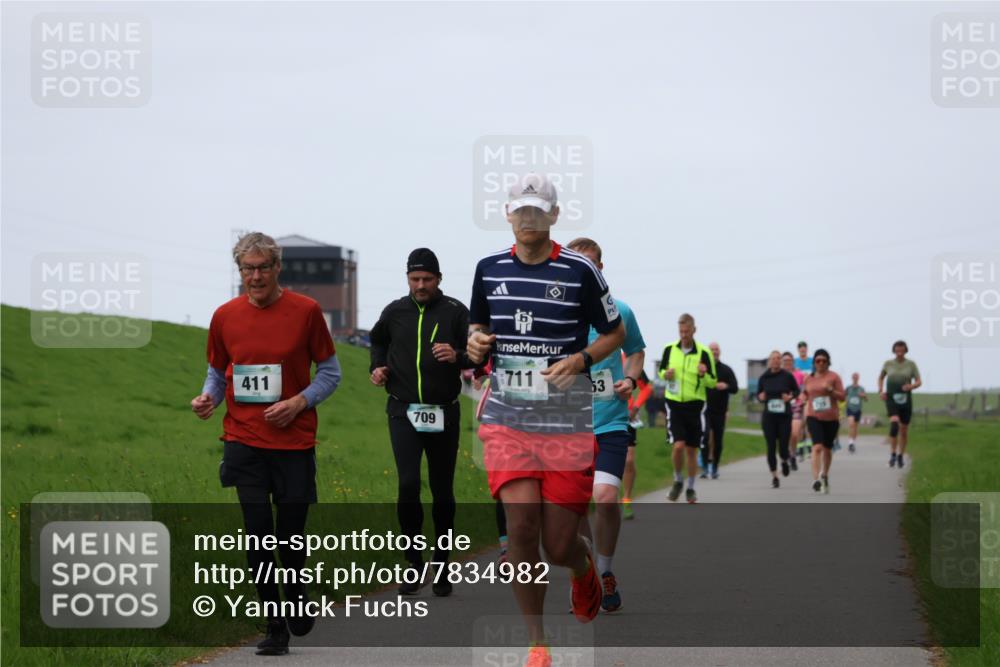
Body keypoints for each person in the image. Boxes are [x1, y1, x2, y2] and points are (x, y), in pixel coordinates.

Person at [466, 172, 626, 667]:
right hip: (507, 417)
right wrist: (475, 343)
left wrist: (580, 360)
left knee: (558, 545)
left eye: (538, 209)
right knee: (521, 530)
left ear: (554, 215)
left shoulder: (580, 270)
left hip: (565, 420)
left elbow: (614, 333)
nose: (528, 217)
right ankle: (537, 643)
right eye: (521, 209)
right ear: (508, 215)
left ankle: (581, 569)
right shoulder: (488, 268)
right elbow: (479, 328)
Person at [191, 232, 341, 656]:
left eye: (262, 267)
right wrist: (208, 398)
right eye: (247, 269)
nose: (255, 276)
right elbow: (218, 373)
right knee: (259, 539)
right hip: (244, 440)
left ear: (278, 268)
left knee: (289, 538)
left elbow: (330, 374)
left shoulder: (307, 312)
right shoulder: (224, 316)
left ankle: (296, 598)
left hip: (293, 443)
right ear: (239, 271)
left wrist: (297, 402)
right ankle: (276, 627)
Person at [369, 248, 480, 597]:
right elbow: (377, 340)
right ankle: (414, 561)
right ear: (407, 279)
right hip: (403, 410)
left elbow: (480, 353)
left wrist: (458, 356)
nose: (421, 285)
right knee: (407, 483)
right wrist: (377, 367)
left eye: (427, 279)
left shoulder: (456, 312)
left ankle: (443, 561)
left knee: (442, 489)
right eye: (415, 279)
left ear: (438, 279)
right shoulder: (395, 311)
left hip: (443, 410)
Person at [567, 237, 646, 613]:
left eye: (593, 265)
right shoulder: (558, 315)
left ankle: (606, 569)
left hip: (610, 420)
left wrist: (630, 380)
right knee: (576, 507)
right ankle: (586, 579)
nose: (587, 271)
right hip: (567, 426)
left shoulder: (621, 312)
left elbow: (636, 351)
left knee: (606, 498)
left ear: (601, 269)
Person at [658, 314, 717, 504]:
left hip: (695, 405)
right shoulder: (669, 349)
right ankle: (677, 480)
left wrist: (704, 373)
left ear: (694, 330)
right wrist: (665, 374)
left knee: (692, 450)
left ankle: (690, 487)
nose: (684, 335)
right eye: (681, 331)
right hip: (674, 403)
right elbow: (661, 372)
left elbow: (712, 381)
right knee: (678, 446)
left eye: (687, 331)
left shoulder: (704, 353)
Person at [800, 349, 846, 494]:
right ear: (814, 362)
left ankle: (825, 474)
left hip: (831, 418)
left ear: (828, 362)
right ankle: (816, 480)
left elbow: (842, 397)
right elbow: (805, 392)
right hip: (814, 417)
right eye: (818, 360)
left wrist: (831, 391)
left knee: (827, 448)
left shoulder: (834, 377)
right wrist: (802, 397)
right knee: (817, 447)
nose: (820, 363)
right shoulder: (808, 378)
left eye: (823, 360)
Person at [756, 351, 799, 488]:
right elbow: (758, 394)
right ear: (769, 361)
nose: (775, 361)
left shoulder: (787, 376)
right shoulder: (764, 377)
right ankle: (774, 476)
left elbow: (797, 391)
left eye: (778, 359)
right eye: (773, 359)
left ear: (780, 361)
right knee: (771, 446)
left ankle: (785, 460)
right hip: (769, 417)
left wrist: (790, 397)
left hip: (784, 417)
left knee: (783, 445)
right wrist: (760, 397)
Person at [877, 341, 922, 469]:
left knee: (903, 430)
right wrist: (880, 391)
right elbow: (880, 378)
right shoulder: (888, 364)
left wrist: (911, 386)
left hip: (906, 399)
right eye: (897, 350)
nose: (899, 352)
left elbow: (919, 381)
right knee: (894, 424)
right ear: (894, 350)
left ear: (905, 350)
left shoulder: (911, 364)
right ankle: (892, 454)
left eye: (902, 350)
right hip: (891, 397)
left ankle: (900, 455)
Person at [701, 341, 738, 479]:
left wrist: (726, 386)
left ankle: (715, 467)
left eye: (716, 349)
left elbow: (735, 388)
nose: (714, 352)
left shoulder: (726, 370)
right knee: (704, 437)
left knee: (718, 440)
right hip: (704, 409)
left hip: (720, 411)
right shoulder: (702, 369)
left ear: (719, 352)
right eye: (711, 350)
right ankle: (704, 468)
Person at [622, 371, 652, 520]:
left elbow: (646, 388)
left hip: (626, 416)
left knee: (628, 461)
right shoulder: (597, 357)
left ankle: (626, 499)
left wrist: (636, 407)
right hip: (601, 414)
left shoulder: (630, 360)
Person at [781, 351, 805, 469]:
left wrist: (803, 397)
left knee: (795, 433)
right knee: (785, 434)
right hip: (781, 407)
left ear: (793, 362)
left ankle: (793, 454)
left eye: (789, 361)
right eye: (785, 361)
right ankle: (786, 454)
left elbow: (803, 389)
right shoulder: (778, 375)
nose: (787, 363)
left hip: (796, 406)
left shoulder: (799, 375)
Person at [844, 372, 868, 453]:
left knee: (855, 427)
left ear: (858, 378)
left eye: (856, 377)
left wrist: (863, 396)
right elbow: (843, 396)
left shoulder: (861, 388)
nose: (855, 378)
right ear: (852, 378)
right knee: (851, 424)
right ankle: (850, 443)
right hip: (850, 408)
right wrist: (845, 401)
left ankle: (853, 442)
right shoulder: (848, 388)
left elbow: (866, 399)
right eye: (854, 377)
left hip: (858, 409)